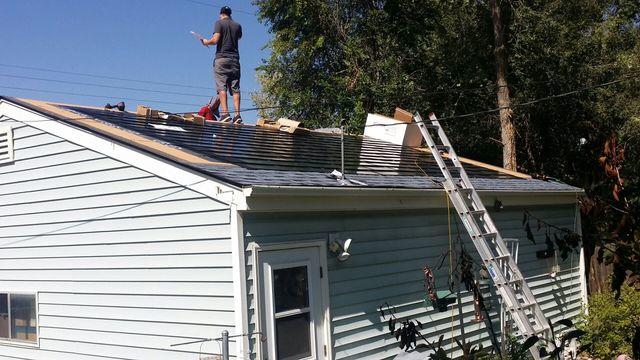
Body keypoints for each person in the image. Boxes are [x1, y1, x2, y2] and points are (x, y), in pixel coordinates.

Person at [201, 6, 243, 123]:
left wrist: (205, 42)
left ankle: (225, 114)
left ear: (221, 14)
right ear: (230, 14)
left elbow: (215, 40)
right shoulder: (238, 25)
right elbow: (239, 37)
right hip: (235, 59)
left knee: (221, 86)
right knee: (235, 88)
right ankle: (237, 116)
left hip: (222, 58)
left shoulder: (219, 23)